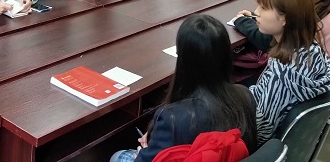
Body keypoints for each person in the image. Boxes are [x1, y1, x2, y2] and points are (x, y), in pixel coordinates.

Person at [109, 15, 257, 162]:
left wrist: (145, 151)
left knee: (118, 156)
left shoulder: (171, 117)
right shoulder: (245, 95)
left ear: (183, 60)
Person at [233, 0, 330, 145]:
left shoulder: (280, 75)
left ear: (285, 19)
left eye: (264, 7)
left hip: (256, 140)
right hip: (290, 141)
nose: (256, 12)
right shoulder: (312, 49)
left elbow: (260, 131)